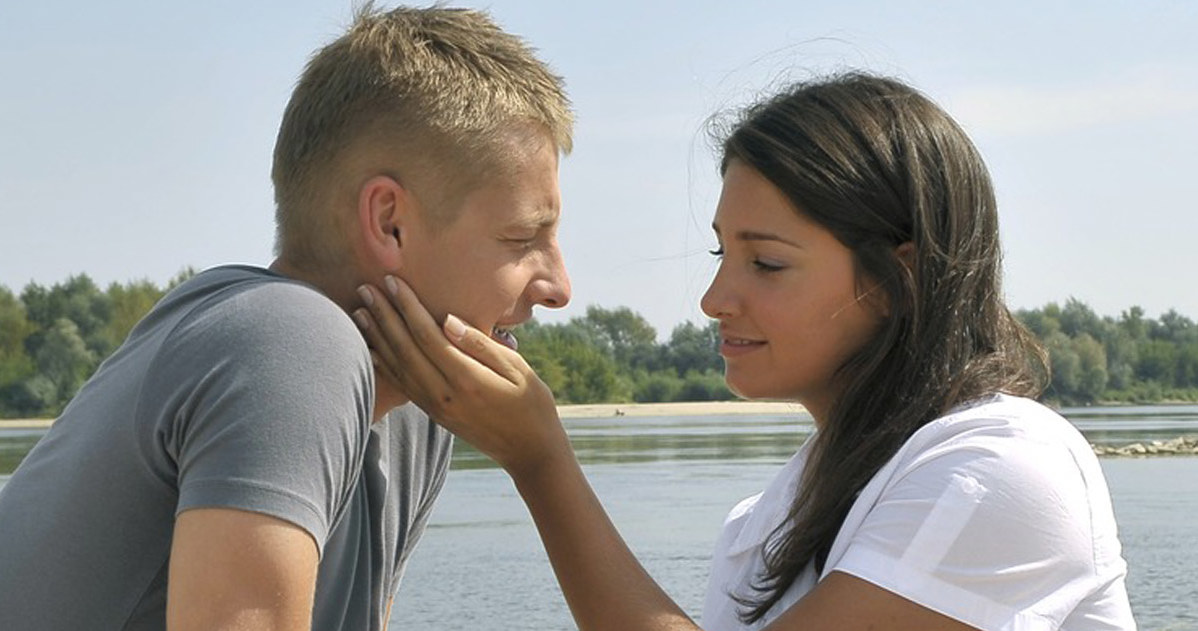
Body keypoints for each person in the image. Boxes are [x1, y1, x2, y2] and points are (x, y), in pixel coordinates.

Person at [355, 72, 1136, 630]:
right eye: (719, 254)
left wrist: (541, 460)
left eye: (765, 262)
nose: (715, 299)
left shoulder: (999, 470)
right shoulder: (772, 517)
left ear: (898, 276)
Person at [0, 6, 572, 630]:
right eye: (521, 238)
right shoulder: (291, 341)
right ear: (389, 222)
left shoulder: (420, 406)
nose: (559, 286)